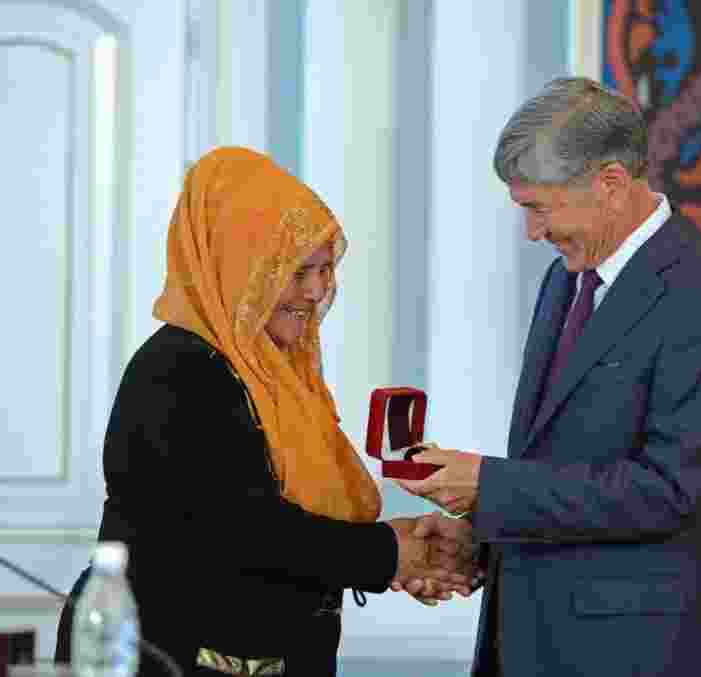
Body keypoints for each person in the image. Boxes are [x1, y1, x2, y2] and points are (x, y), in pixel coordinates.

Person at [394, 77, 701, 676]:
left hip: (641, 655)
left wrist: (492, 486)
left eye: (538, 208)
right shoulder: (566, 278)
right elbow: (566, 463)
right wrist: (482, 536)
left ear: (612, 184)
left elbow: (673, 491)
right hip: (531, 639)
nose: (532, 233)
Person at [54, 147, 471, 676]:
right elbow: (240, 528)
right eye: (298, 272)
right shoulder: (180, 369)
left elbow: (293, 514)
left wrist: (397, 548)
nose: (318, 291)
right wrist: (388, 554)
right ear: (239, 269)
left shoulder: (276, 372)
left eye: (325, 269)